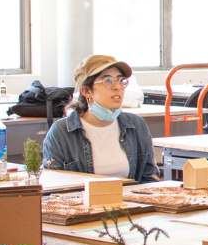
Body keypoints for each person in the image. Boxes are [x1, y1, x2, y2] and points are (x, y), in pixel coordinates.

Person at [42, 55, 159, 183]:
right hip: (83, 202)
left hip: (131, 202)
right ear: (86, 91)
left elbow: (149, 179)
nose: (117, 87)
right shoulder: (61, 131)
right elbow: (53, 186)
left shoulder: (136, 125)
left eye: (120, 80)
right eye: (108, 80)